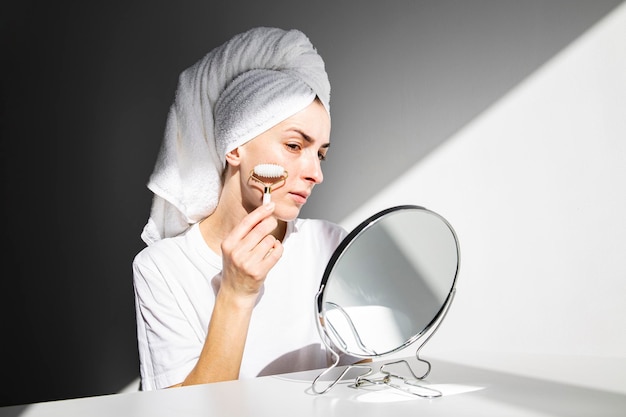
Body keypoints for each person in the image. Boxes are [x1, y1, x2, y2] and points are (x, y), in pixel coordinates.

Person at [132, 26, 351, 391]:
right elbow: (177, 412)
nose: (315, 174)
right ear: (234, 147)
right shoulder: (162, 269)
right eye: (295, 146)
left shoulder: (329, 245)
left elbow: (364, 384)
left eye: (321, 154)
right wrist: (236, 293)